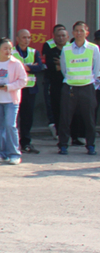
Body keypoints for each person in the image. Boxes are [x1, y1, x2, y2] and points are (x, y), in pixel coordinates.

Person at [57, 20, 100, 155]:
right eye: (77, 30)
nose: (79, 33)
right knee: (65, 118)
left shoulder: (94, 48)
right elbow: (64, 69)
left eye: (82, 30)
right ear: (73, 32)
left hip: (87, 87)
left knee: (89, 119)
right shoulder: (66, 49)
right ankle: (63, 145)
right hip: (70, 87)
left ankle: (91, 145)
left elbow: (97, 69)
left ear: (87, 33)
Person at [0, 37, 28, 165]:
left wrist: (9, 87)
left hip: (11, 99)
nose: (8, 51)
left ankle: (14, 153)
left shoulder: (16, 63)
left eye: (10, 48)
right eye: (5, 48)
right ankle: (2, 153)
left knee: (10, 125)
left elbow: (23, 80)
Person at [12, 29, 44, 154]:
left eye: (29, 37)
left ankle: (26, 142)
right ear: (18, 39)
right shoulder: (12, 52)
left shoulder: (34, 52)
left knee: (27, 117)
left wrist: (24, 67)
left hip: (30, 89)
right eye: (24, 37)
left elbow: (39, 67)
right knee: (13, 117)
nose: (27, 40)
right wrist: (31, 67)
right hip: (15, 89)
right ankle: (13, 143)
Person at [42, 24, 70, 142]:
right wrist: (66, 65)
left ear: (67, 37)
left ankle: (72, 134)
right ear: (54, 37)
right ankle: (59, 134)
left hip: (70, 84)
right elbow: (52, 67)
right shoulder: (51, 50)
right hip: (55, 84)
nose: (61, 38)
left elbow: (72, 67)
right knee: (57, 109)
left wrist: (62, 65)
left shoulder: (71, 50)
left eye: (63, 35)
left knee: (70, 110)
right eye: (58, 36)